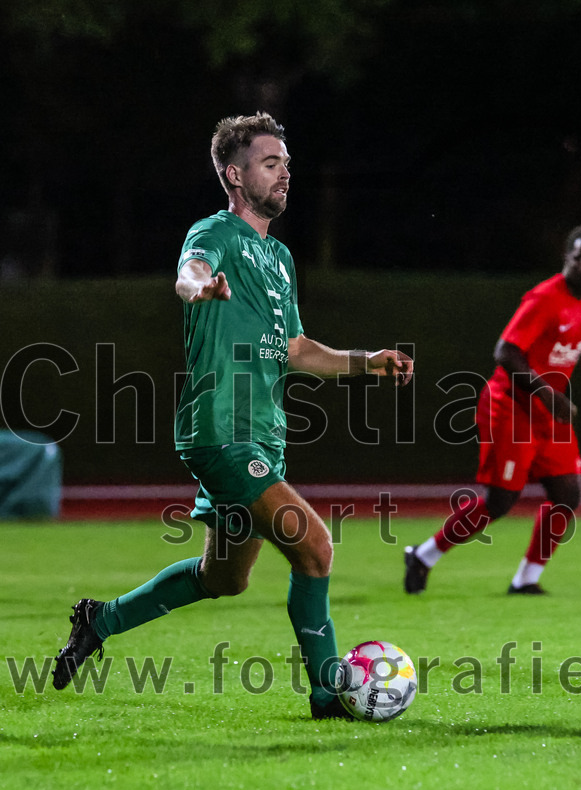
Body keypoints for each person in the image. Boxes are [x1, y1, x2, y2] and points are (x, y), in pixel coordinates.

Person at [52, 112, 414, 720]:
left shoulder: (280, 258)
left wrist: (366, 361)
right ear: (235, 175)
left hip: (262, 434)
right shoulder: (216, 231)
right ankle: (329, 694)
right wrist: (200, 285)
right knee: (316, 549)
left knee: (224, 578)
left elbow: (296, 349)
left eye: (287, 164)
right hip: (222, 430)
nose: (285, 173)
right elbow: (188, 272)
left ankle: (100, 619)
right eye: (271, 163)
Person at [404, 225, 581, 595]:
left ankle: (526, 579)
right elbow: (506, 352)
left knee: (568, 494)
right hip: (512, 406)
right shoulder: (544, 298)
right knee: (500, 501)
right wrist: (546, 393)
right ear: (566, 259)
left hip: (546, 409)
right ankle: (424, 555)